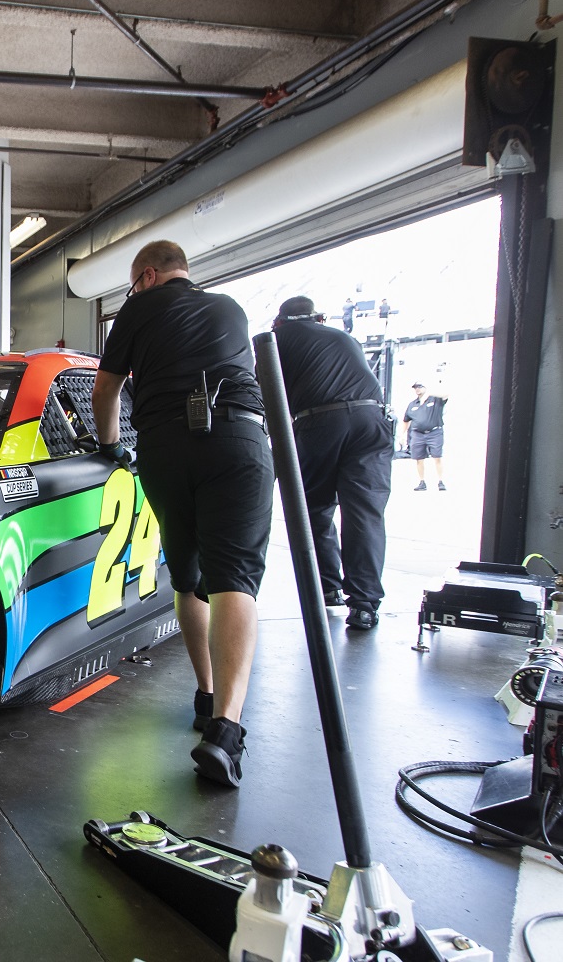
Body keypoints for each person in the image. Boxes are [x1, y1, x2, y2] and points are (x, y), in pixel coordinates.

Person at [91, 240, 273, 788]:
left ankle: (205, 693)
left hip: (166, 445)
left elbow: (106, 388)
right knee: (234, 580)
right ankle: (226, 728)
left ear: (147, 275)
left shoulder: (138, 309)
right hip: (238, 439)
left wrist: (107, 446)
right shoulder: (232, 309)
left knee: (189, 578)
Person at [272, 297, 392, 631]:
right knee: (365, 515)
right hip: (372, 420)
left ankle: (327, 587)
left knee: (313, 510)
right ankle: (365, 605)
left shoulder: (276, 341)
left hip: (321, 422)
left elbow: (263, 396)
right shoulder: (343, 337)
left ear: (280, 321)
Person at [399, 381, 448, 490]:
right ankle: (422, 482)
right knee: (419, 458)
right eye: (416, 387)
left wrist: (431, 392)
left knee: (437, 457)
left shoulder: (435, 400)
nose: (417, 389)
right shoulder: (412, 404)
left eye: (420, 387)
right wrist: (402, 435)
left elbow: (446, 394)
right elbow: (406, 420)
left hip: (434, 432)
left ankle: (440, 481)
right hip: (418, 434)